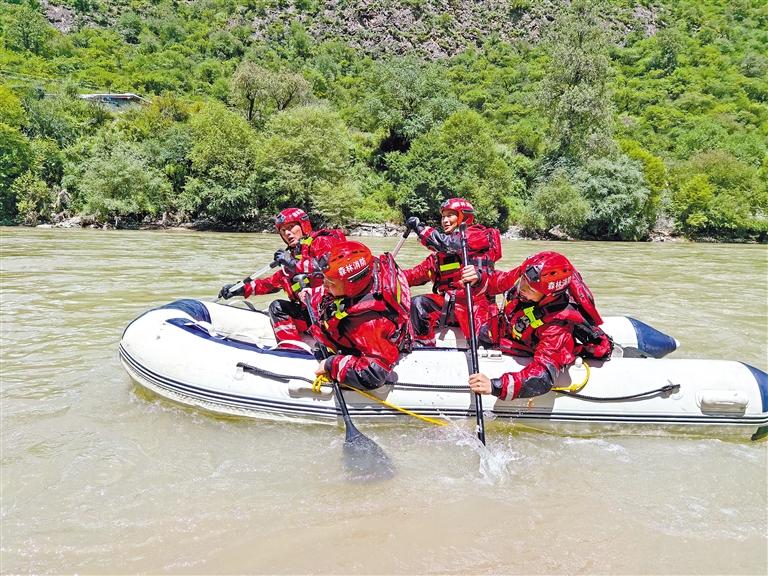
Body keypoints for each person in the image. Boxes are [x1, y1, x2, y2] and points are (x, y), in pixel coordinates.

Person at [466, 251, 613, 401]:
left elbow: (542, 375)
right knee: (477, 327)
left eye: (531, 289)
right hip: (506, 332)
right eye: (523, 280)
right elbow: (502, 280)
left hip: (530, 346)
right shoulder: (530, 275)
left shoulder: (557, 327)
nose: (522, 288)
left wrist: (496, 386)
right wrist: (479, 278)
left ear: (548, 296)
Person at [218, 208, 346, 347]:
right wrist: (241, 289)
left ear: (303, 225)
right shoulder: (293, 256)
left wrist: (293, 263)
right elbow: (273, 282)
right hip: (311, 314)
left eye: (291, 227)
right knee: (277, 307)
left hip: (334, 312)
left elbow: (330, 266)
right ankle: (292, 349)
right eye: (283, 230)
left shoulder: (323, 241)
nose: (287, 233)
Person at [311, 241, 412, 390]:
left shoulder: (369, 323)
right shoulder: (367, 278)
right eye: (324, 279)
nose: (324, 285)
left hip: (368, 343)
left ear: (351, 285)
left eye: (330, 282)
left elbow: (374, 374)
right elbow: (330, 294)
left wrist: (331, 364)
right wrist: (311, 294)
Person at [402, 198, 502, 347]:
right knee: (418, 304)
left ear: (464, 217)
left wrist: (420, 229)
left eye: (450, 215)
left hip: (476, 305)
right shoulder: (440, 255)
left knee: (483, 336)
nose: (445, 220)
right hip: (450, 306)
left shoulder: (479, 236)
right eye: (443, 216)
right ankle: (423, 344)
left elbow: (450, 244)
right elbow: (417, 274)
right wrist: (390, 274)